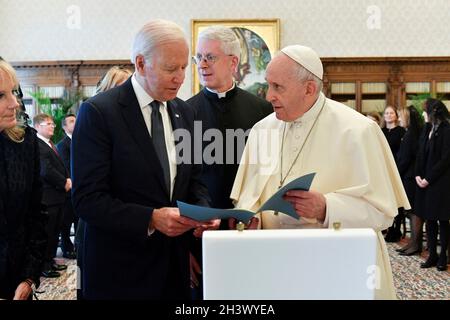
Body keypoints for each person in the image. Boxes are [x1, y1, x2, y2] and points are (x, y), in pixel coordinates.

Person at [230, 45, 410, 299]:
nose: (269, 95)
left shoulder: (358, 131)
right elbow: (249, 195)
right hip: (276, 263)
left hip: (339, 267)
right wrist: (251, 217)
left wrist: (327, 208)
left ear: (309, 89)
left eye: (278, 87)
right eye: (268, 85)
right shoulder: (262, 130)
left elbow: (383, 213)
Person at [71, 19, 213, 299]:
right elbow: (87, 199)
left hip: (173, 271)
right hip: (120, 273)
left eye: (185, 67)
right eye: (170, 69)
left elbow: (194, 179)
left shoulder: (185, 113)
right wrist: (151, 218)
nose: (180, 77)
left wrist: (202, 213)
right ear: (140, 63)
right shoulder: (99, 113)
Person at [186, 25, 272, 297]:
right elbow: (179, 182)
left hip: (248, 226)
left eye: (210, 57)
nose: (202, 64)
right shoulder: (184, 112)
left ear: (233, 62)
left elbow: (268, 171)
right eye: (198, 57)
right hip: (199, 229)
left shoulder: (261, 110)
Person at [0, 60, 47, 300]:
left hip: (17, 283)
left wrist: (28, 278)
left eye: (14, 92)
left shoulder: (25, 143)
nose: (14, 103)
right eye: (1, 95)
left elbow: (36, 214)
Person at [34, 113, 71, 278]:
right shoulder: (37, 144)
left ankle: (50, 261)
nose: (52, 126)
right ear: (37, 126)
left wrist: (68, 178)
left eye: (52, 124)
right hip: (48, 198)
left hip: (57, 197)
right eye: (48, 123)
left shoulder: (49, 144)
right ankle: (44, 265)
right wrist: (64, 182)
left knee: (55, 231)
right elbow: (45, 170)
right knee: (47, 233)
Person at [415, 98, 450, 271]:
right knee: (429, 220)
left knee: (442, 220)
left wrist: (428, 178)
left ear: (433, 112)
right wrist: (418, 175)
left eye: (425, 111)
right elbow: (420, 153)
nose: (422, 114)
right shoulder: (427, 128)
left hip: (440, 183)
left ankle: (443, 254)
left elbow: (446, 159)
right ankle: (432, 255)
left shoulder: (447, 130)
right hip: (424, 182)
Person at [396, 106, 424, 256]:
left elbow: (404, 159)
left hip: (409, 177)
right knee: (412, 212)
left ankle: (415, 244)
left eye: (401, 116)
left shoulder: (410, 135)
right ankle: (413, 242)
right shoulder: (412, 133)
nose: (399, 119)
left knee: (413, 212)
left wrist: (396, 175)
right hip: (411, 176)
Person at [381, 105, 406, 242]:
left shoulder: (401, 131)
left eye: (391, 113)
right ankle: (386, 226)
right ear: (384, 116)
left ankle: (396, 229)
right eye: (386, 113)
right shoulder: (381, 131)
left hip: (398, 169)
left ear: (396, 116)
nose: (389, 115)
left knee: (397, 200)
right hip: (383, 169)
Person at [56, 113, 77, 259]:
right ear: (64, 127)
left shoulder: (82, 140)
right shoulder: (63, 145)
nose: (75, 123)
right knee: (66, 221)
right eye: (71, 121)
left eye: (76, 120)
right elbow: (66, 167)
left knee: (78, 220)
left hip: (81, 188)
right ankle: (66, 247)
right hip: (69, 189)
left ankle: (77, 245)